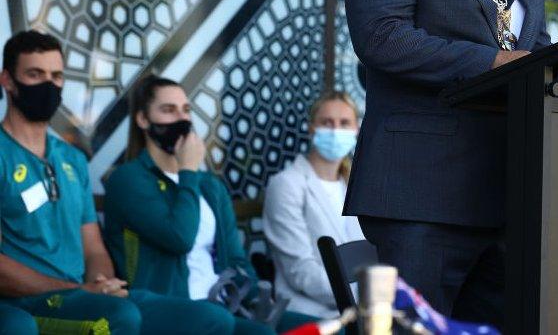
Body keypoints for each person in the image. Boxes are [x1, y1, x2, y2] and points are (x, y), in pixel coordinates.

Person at [342, 0, 549, 326]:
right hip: (421, 197)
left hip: (505, 197)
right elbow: (383, 39)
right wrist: (494, 61)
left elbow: (539, 56)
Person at [0, 30, 232, 334]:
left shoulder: (71, 159)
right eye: (35, 74)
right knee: (119, 317)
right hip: (30, 301)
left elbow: (94, 248)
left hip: (82, 293)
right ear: (7, 81)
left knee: (214, 320)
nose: (49, 84)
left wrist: (100, 284)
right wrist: (78, 291)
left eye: (56, 76)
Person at [103, 75, 314, 334]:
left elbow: (236, 258)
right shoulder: (128, 179)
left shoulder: (209, 186)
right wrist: (188, 171)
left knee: (312, 327)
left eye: (186, 110)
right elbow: (179, 236)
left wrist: (257, 298)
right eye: (168, 110)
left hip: (223, 302)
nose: (181, 119)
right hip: (168, 305)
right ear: (143, 119)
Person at [263, 91, 365, 319]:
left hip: (361, 308)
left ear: (356, 129)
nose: (336, 130)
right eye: (327, 122)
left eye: (344, 123)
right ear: (312, 128)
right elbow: (300, 272)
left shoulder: (356, 186)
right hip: (310, 311)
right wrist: (365, 294)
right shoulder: (286, 185)